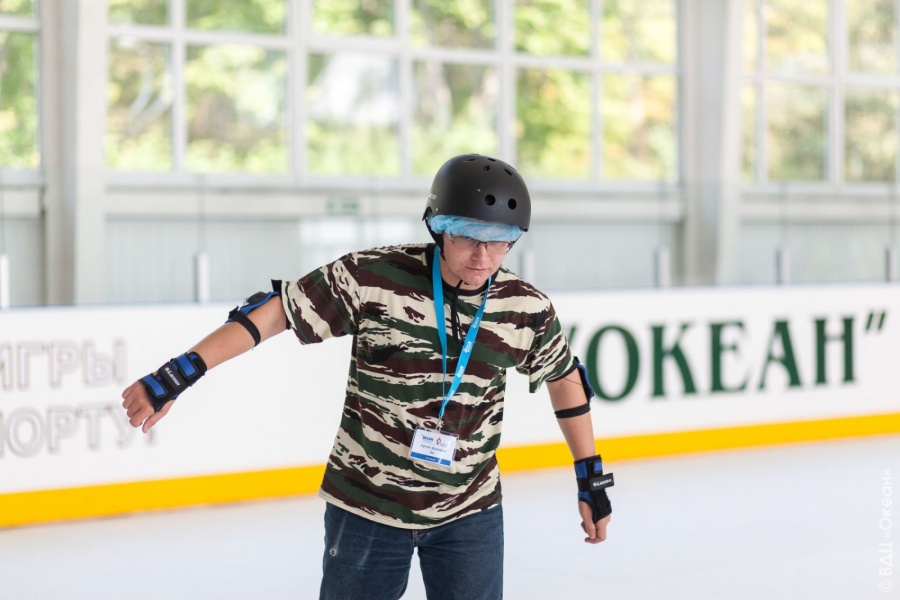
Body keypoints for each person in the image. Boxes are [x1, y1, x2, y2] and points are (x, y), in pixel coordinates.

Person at [122, 153, 614, 600]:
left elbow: (564, 379)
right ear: (438, 227)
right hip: (366, 506)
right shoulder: (375, 277)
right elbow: (275, 312)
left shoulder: (525, 308)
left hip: (470, 510)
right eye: (467, 237)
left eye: (498, 241)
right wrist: (177, 375)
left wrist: (589, 478)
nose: (482, 257)